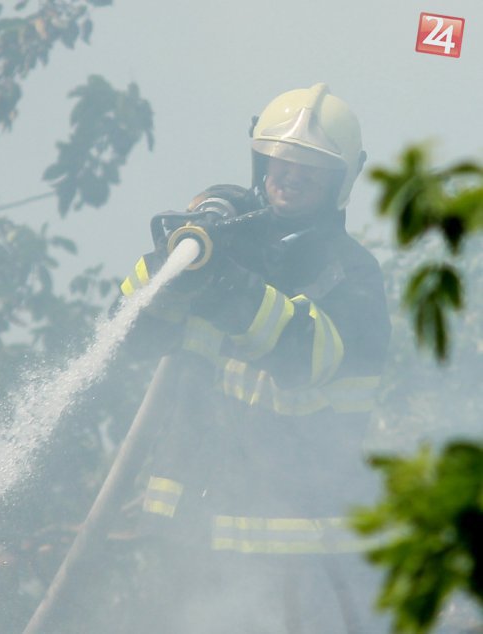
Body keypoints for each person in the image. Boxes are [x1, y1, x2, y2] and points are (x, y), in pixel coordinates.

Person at [114, 83, 392, 633]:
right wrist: (170, 264)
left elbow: (305, 357)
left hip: (298, 552)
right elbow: (126, 335)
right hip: (189, 537)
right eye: (278, 159)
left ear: (340, 179)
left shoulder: (349, 273)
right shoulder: (221, 248)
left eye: (309, 166)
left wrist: (228, 287)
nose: (288, 174)